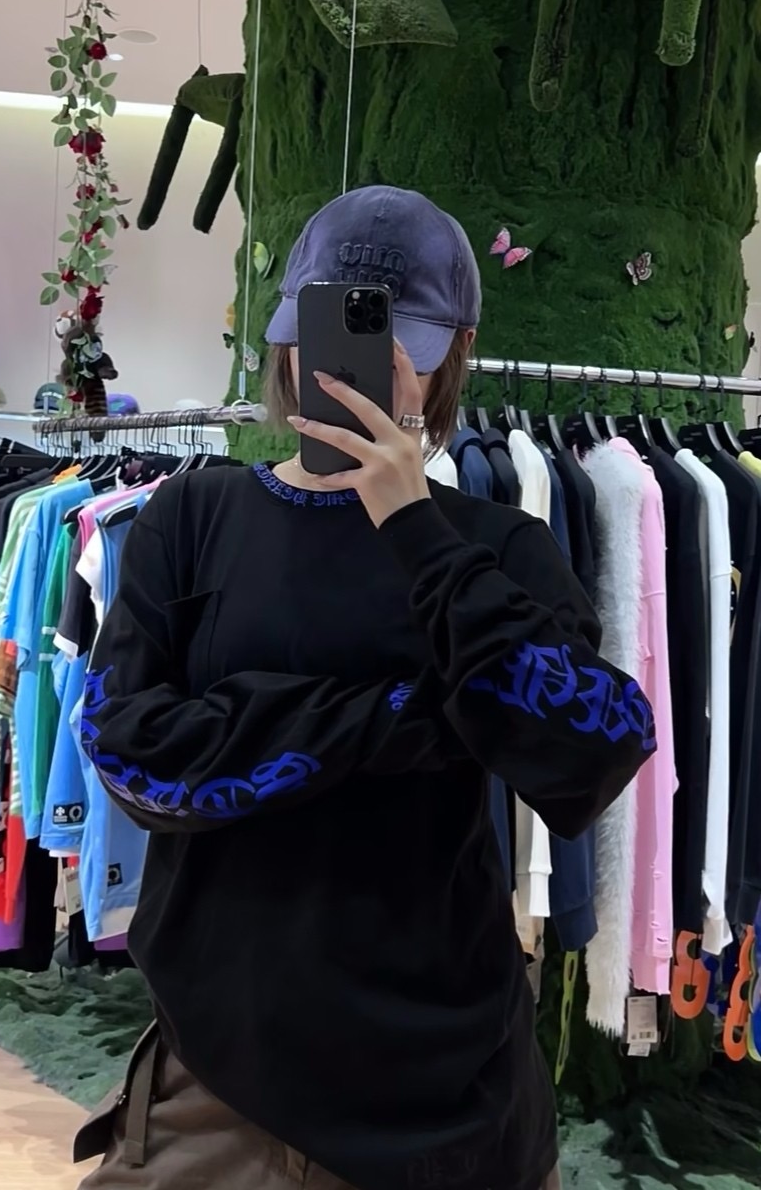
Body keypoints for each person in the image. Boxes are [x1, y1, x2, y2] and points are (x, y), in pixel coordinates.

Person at [74, 187, 655, 1190]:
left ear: (455, 351)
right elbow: (129, 754)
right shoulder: (194, 517)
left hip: (451, 1096)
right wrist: (407, 713)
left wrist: (414, 525)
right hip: (219, 1084)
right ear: (287, 337)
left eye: (404, 344)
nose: (367, 368)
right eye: (342, 334)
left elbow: (593, 749)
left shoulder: (496, 547)